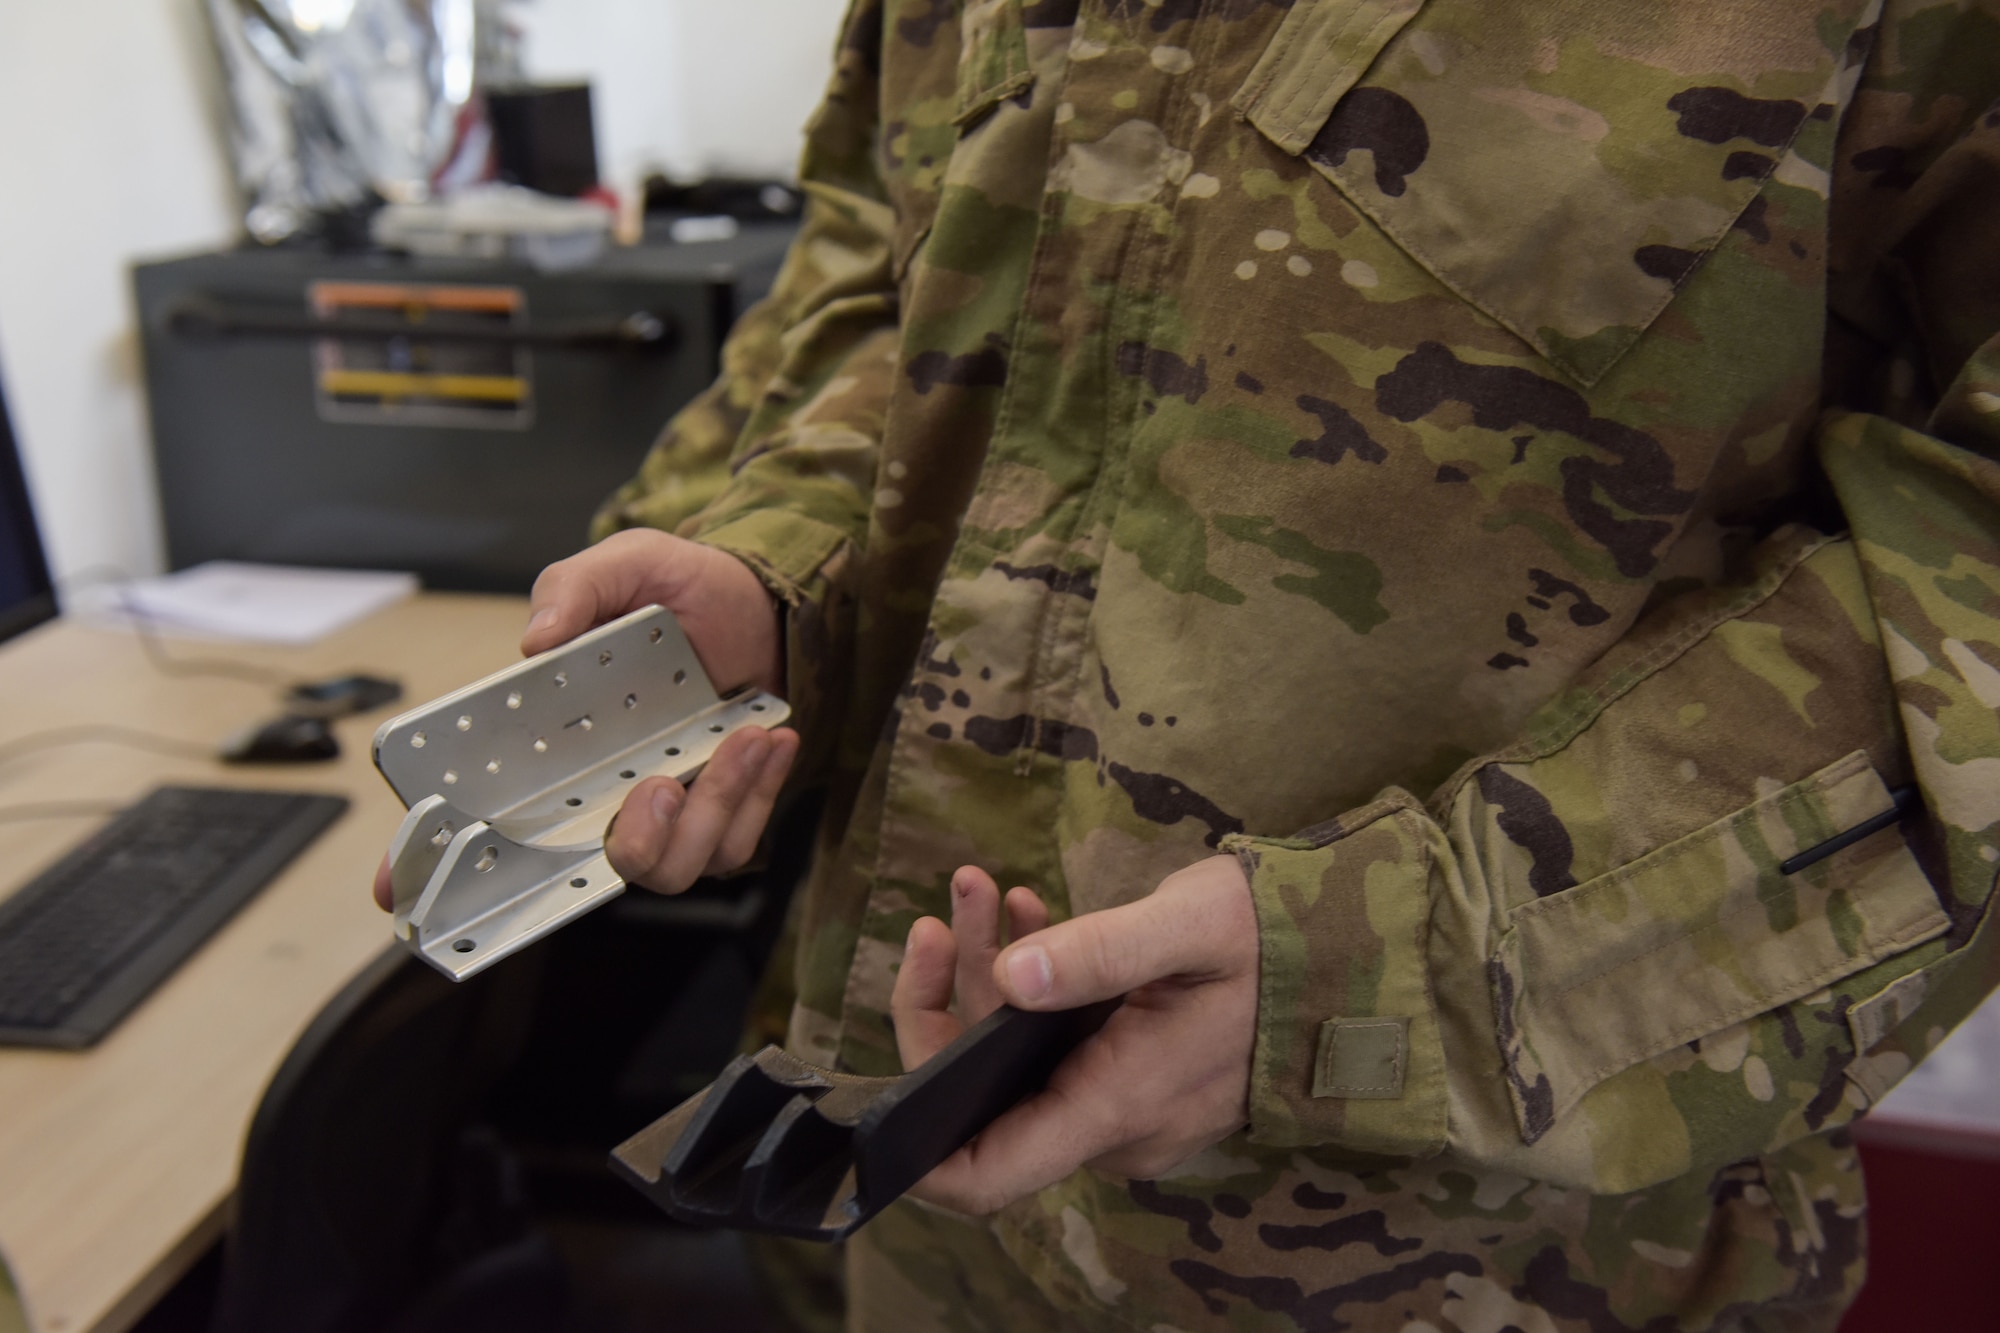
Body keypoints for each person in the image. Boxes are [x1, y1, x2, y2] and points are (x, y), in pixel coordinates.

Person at [383, 1, 2000, 1328]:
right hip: (914, 1201)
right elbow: (898, 271)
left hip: (1495, 1263)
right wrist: (774, 570)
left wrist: (1377, 964)